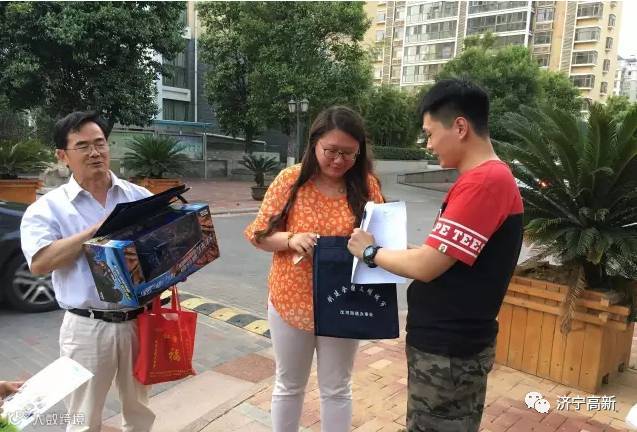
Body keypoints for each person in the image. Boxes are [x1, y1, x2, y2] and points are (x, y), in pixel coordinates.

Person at [348, 79, 524, 432]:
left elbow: (428, 267)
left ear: (459, 127)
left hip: (449, 351)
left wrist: (369, 251)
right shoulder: (489, 178)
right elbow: (447, 257)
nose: (428, 145)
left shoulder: (483, 183)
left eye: (429, 134)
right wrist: (405, 252)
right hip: (452, 346)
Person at [245, 106, 384, 432]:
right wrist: (291, 239)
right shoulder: (290, 181)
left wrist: (370, 243)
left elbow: (381, 241)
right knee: (289, 384)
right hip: (291, 300)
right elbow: (259, 235)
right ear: (314, 144)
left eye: (348, 153)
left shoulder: (366, 185)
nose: (338, 160)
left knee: (337, 387)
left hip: (344, 300)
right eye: (331, 151)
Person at [20, 111, 155, 432]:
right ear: (62, 156)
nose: (95, 152)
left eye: (100, 143)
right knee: (83, 418)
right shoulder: (47, 208)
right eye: (83, 146)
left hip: (139, 322)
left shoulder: (138, 197)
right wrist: (97, 231)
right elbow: (40, 263)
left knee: (140, 411)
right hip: (86, 328)